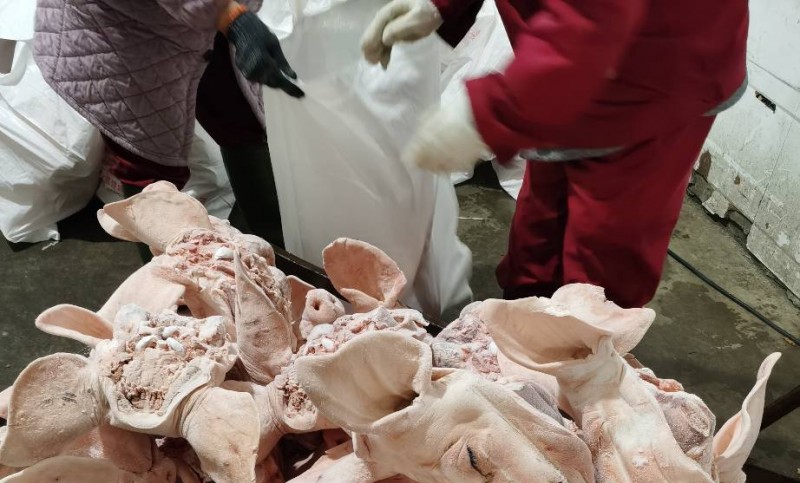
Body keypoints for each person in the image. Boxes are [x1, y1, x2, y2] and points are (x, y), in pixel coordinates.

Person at [361, 0, 749, 308]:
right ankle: (522, 326)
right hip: (571, 55)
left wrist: (488, 115)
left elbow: (588, 26)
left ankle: (582, 357)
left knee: (603, 257)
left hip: (656, 69)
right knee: (540, 230)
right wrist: (439, 6)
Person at [34, 0, 303, 254]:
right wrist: (232, 17)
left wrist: (230, 14)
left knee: (241, 121)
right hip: (121, 32)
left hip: (195, 21)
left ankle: (274, 250)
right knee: (148, 165)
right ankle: (168, 277)